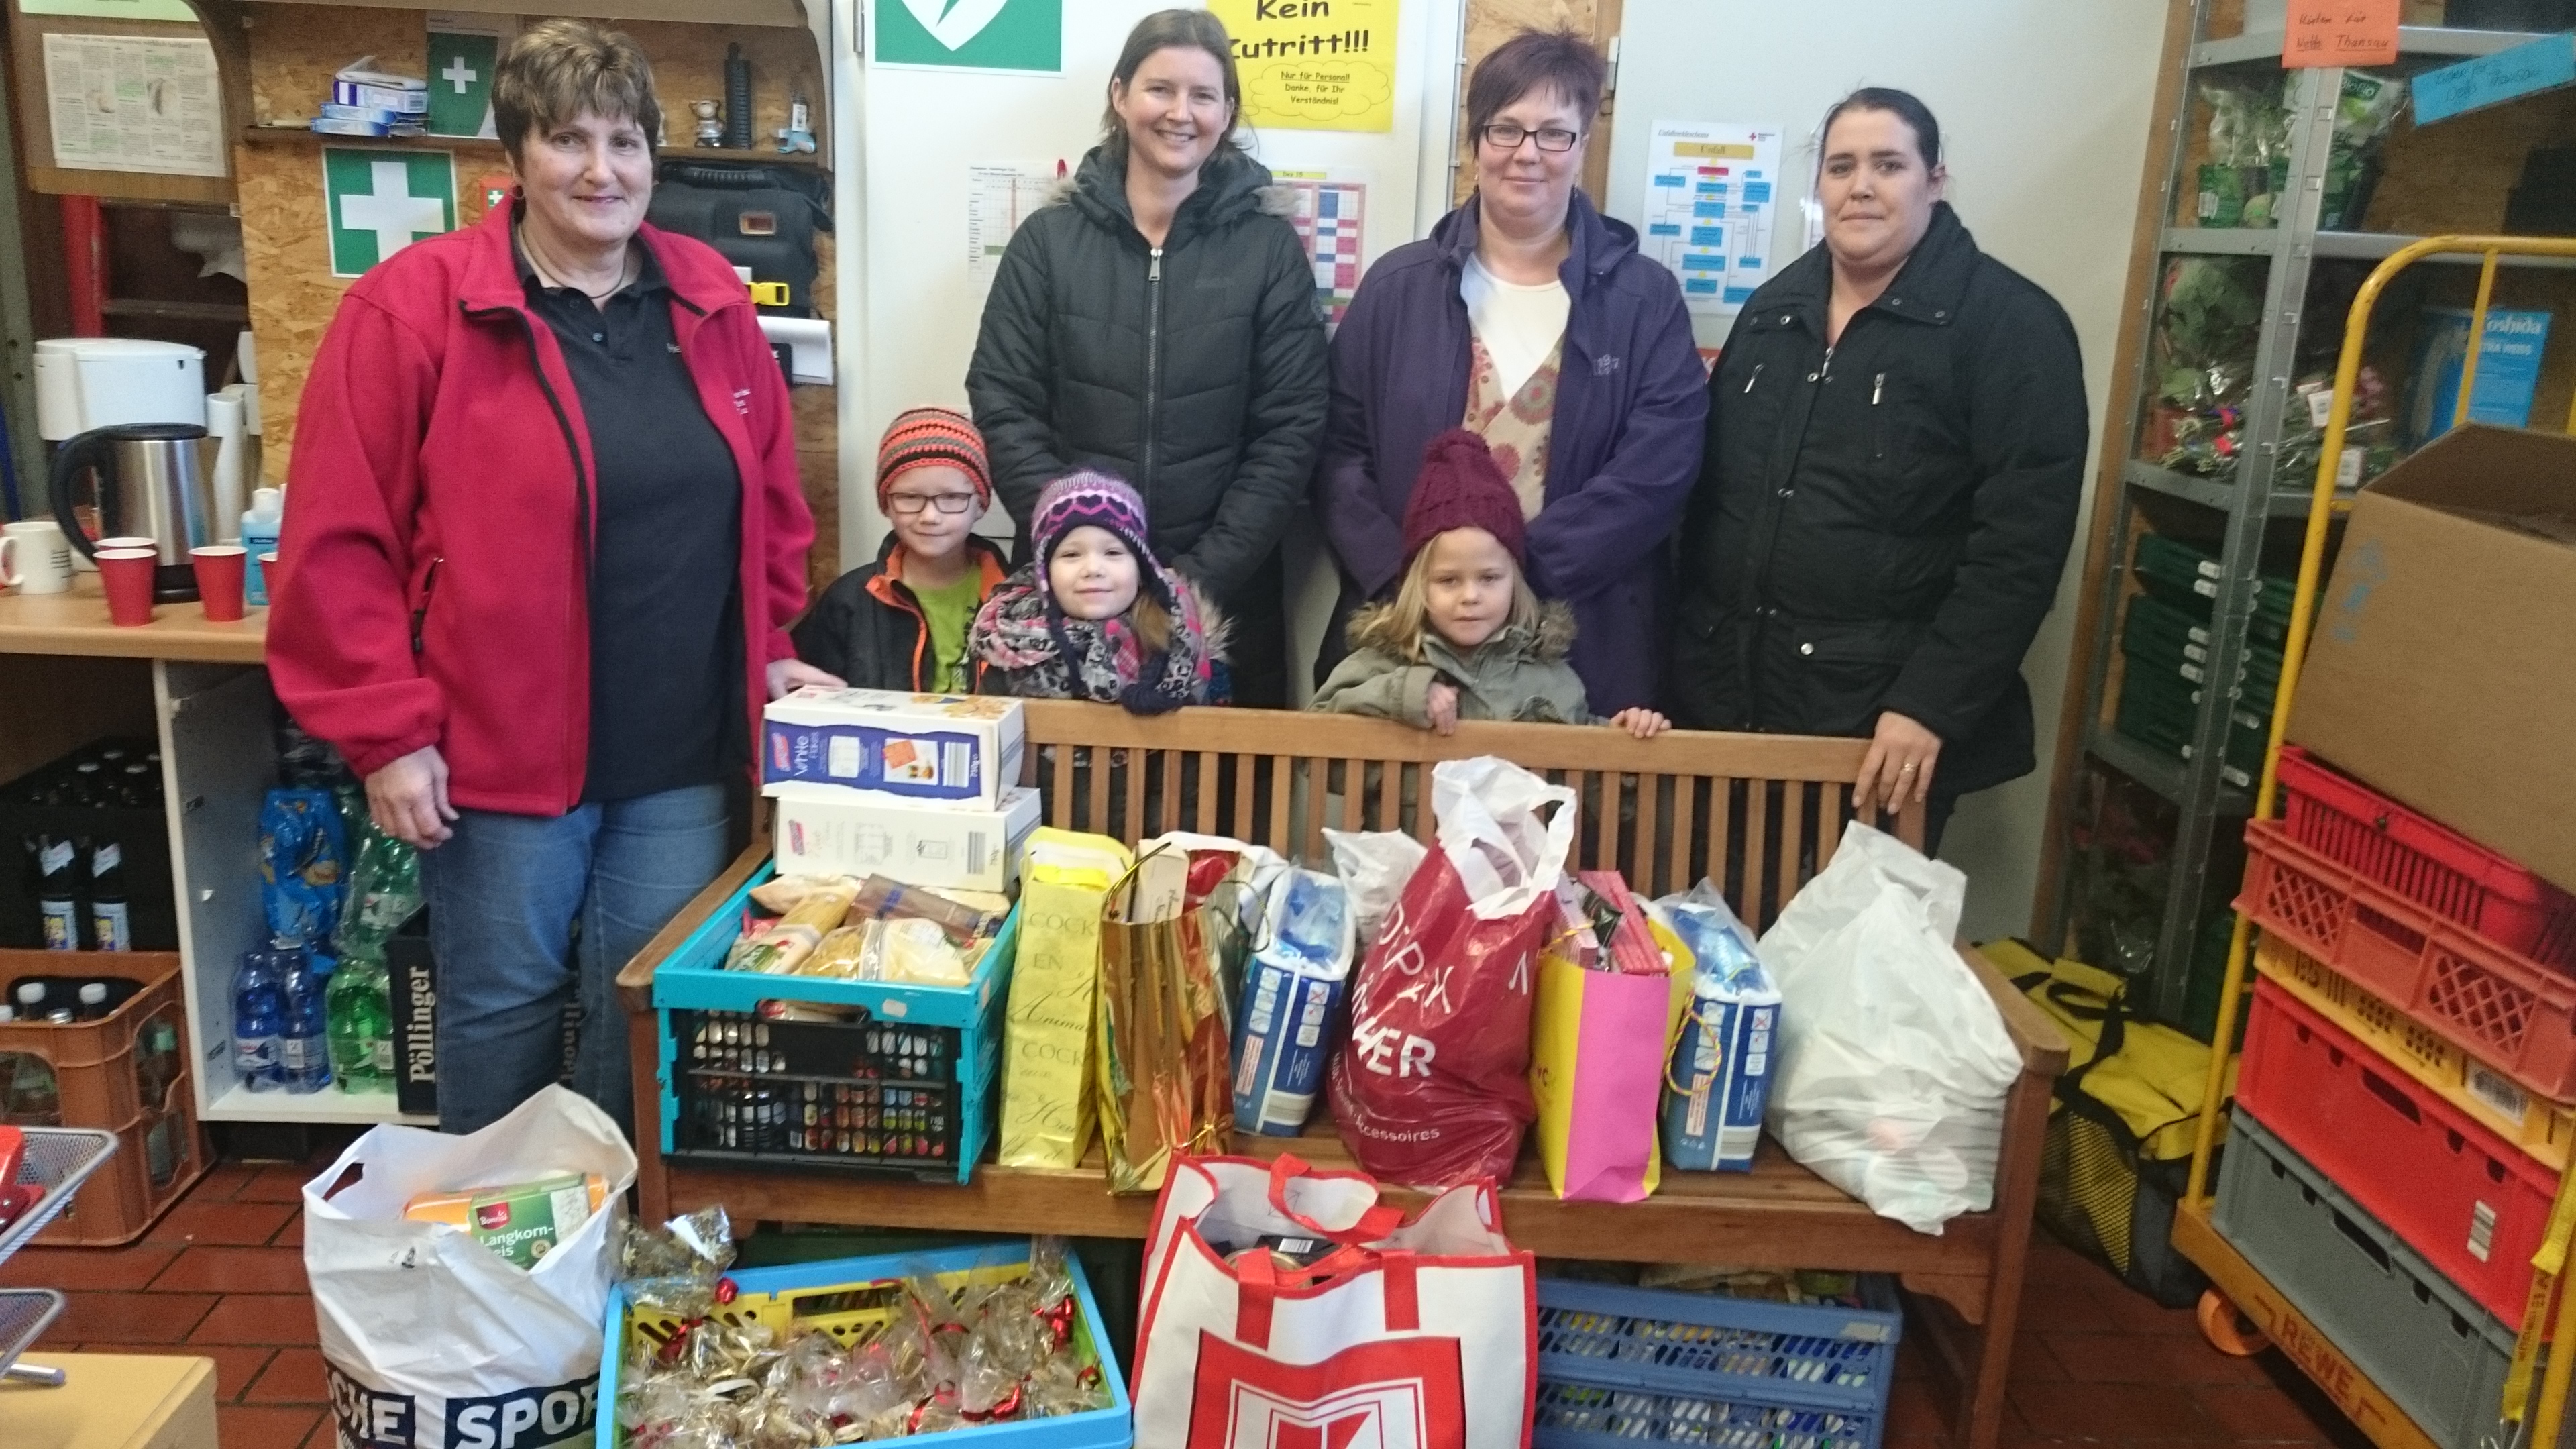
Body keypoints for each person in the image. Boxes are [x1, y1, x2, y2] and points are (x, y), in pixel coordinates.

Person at [266, 20, 836, 1135]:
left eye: (625, 141)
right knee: (502, 1012)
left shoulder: (711, 301)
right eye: (567, 139)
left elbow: (770, 509)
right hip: (499, 758)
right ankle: (503, 1263)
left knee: (646, 1012)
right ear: (517, 155)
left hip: (675, 756)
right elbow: (337, 541)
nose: (600, 170)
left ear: (654, 159)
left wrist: (767, 653)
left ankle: (611, 1249)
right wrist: (385, 730)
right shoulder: (414, 309)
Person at [1668, 88, 2088, 851]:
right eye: (1841, 166)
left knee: (1849, 963)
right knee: (1713, 948)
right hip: (1726, 716)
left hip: (1879, 733)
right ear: (1820, 185)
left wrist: (1930, 706)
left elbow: (2020, 547)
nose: (1861, 185)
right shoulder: (1771, 314)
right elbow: (1707, 505)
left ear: (1935, 180)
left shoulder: (2010, 327)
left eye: (1888, 164)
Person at [1315, 28, 1705, 716]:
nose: (1528, 153)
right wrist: (1414, 578)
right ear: (1475, 145)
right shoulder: (1397, 287)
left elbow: (1659, 470)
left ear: (1583, 148)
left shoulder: (1645, 300)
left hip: (1583, 643)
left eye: (1555, 133)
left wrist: (1522, 577)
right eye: (1506, 129)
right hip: (1411, 650)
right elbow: (1338, 453)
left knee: (1563, 824)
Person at [967, 8, 1326, 708]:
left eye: (1203, 95)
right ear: (1120, 95)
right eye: (1161, 89)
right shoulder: (1047, 242)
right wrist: (1079, 550)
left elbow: (1293, 423)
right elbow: (1002, 397)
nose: (1180, 113)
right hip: (1068, 597)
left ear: (1228, 113)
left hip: (1222, 600)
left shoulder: (1269, 249)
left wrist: (1189, 584)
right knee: (1064, 810)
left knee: (1211, 811)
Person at [1316, 430, 1670, 739]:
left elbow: (1584, 772)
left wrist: (1624, 738)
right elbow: (1317, 734)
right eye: (1448, 580)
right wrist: (1405, 694)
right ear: (1417, 586)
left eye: (1489, 578)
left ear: (1516, 581)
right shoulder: (1379, 665)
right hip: (1413, 819)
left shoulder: (1550, 677)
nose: (1470, 596)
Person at [971, 470, 1225, 712]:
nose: (1093, 569)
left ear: (1141, 569)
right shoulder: (1010, 648)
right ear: (1044, 574)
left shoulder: (1182, 646)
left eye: (1113, 553)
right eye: (1071, 554)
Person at [794, 407, 1009, 692]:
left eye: (952, 497)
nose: (930, 516)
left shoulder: (1015, 600)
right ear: (886, 504)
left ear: (981, 504)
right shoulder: (847, 603)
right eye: (910, 497)